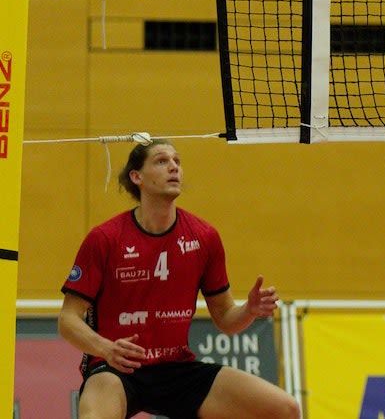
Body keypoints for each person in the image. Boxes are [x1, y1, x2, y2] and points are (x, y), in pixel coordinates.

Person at [57, 139, 300, 419]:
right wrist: (106, 349)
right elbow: (68, 319)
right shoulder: (105, 239)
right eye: (161, 161)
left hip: (176, 369)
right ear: (137, 177)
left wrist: (249, 310)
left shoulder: (204, 237)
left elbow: (225, 317)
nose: (173, 167)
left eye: (177, 161)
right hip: (116, 367)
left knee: (285, 409)